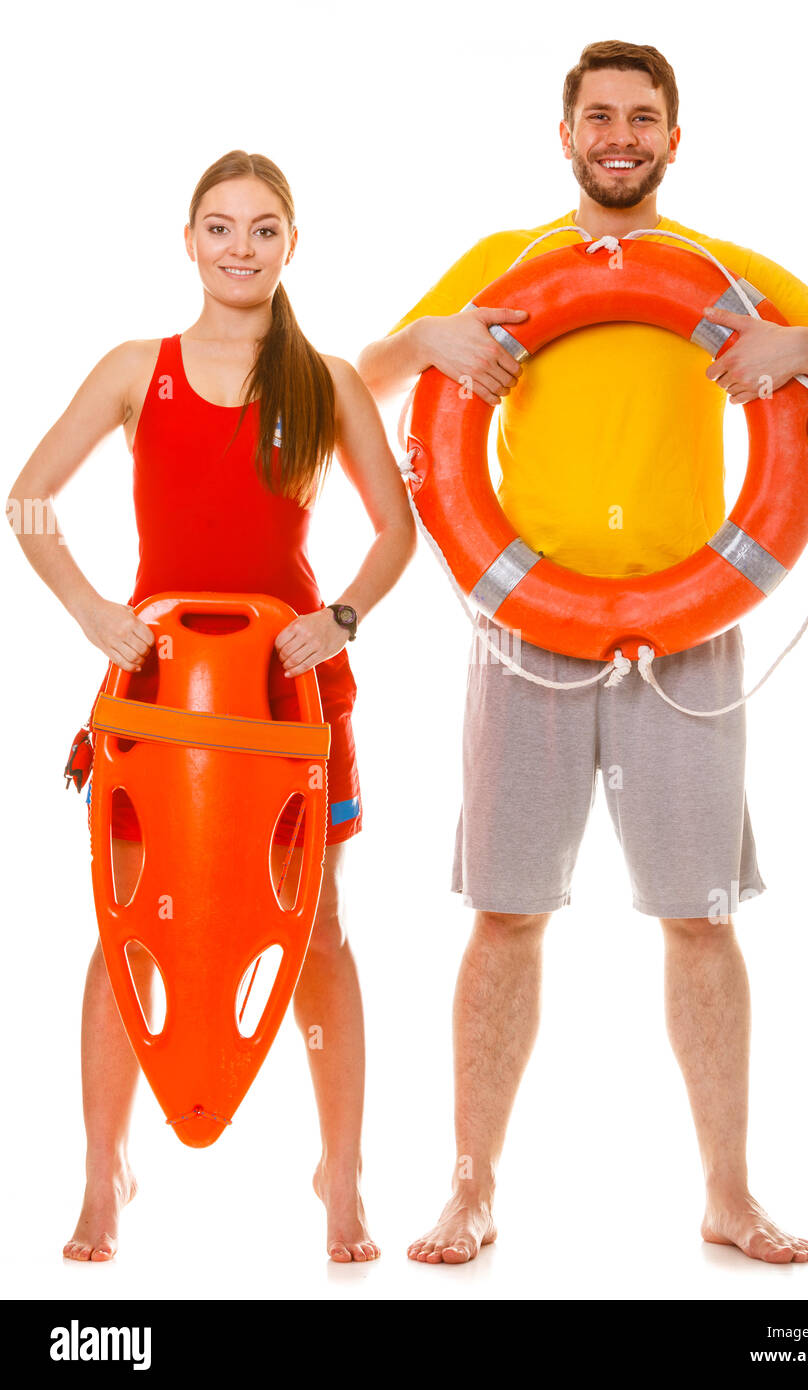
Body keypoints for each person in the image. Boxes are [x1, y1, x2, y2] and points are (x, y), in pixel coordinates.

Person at [358, 41, 808, 1265]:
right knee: (504, 914)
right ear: (565, 136)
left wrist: (796, 349)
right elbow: (362, 378)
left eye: (641, 117)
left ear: (672, 138)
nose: (619, 134)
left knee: (698, 920)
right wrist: (435, 338)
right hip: (524, 633)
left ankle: (728, 1192)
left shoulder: (724, 270)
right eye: (598, 116)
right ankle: (468, 1187)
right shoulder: (503, 264)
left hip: (689, 632)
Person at [7, 150, 415, 1264]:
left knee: (316, 927)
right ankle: (106, 1171)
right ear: (187, 241)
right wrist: (94, 609)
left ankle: (343, 1170)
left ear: (293, 244)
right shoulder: (139, 369)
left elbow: (395, 532)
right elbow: (29, 498)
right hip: (158, 697)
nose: (242, 247)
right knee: (129, 927)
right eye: (221, 227)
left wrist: (340, 617)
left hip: (287, 701)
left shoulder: (322, 380)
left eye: (265, 229)